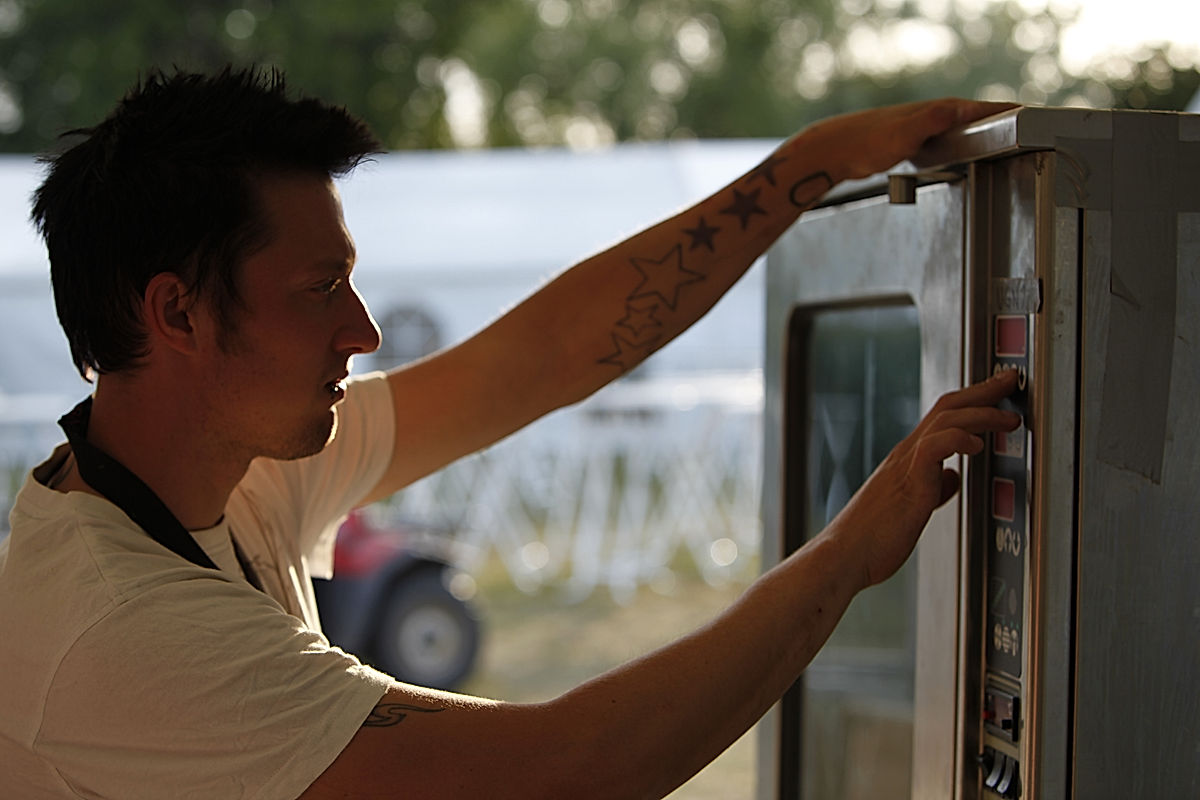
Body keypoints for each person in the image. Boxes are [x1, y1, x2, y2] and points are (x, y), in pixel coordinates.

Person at [0, 66, 1019, 799]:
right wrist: (850, 551)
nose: (363, 330)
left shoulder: (232, 465)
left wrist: (813, 162)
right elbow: (570, 768)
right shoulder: (117, 631)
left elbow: (545, 356)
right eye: (320, 289)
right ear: (177, 313)